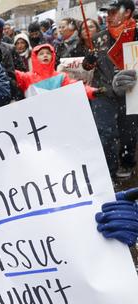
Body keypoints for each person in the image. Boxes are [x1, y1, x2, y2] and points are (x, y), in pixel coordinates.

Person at [83, 0, 138, 179]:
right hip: (103, 92)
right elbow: (88, 66)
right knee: (104, 131)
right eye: (108, 13)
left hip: (131, 92)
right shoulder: (100, 37)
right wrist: (88, 61)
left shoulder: (135, 34)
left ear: (128, 12)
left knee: (128, 134)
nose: (109, 16)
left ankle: (127, 163)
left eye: (114, 12)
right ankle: (109, 170)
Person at [14, 43, 99, 98]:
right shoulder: (27, 77)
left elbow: (75, 88)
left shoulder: (61, 77)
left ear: (53, 56)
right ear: (35, 58)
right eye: (41, 54)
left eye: (48, 53)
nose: (45, 55)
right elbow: (9, 73)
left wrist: (93, 91)